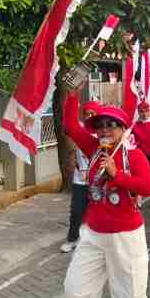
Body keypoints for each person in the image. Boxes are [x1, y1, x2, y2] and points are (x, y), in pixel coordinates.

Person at [63, 89, 150, 298]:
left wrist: (119, 175)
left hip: (125, 235)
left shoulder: (134, 155)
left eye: (111, 125)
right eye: (101, 125)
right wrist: (71, 92)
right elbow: (69, 126)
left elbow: (148, 188)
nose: (105, 129)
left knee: (130, 294)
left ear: (123, 129)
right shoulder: (93, 150)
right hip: (93, 233)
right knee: (75, 290)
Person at [62, 101, 102, 253]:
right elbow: (69, 124)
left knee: (98, 211)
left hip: (98, 180)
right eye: (87, 114)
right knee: (77, 210)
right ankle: (72, 239)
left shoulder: (102, 133)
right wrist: (73, 97)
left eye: (93, 114)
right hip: (80, 178)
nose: (89, 117)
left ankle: (95, 239)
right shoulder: (80, 130)